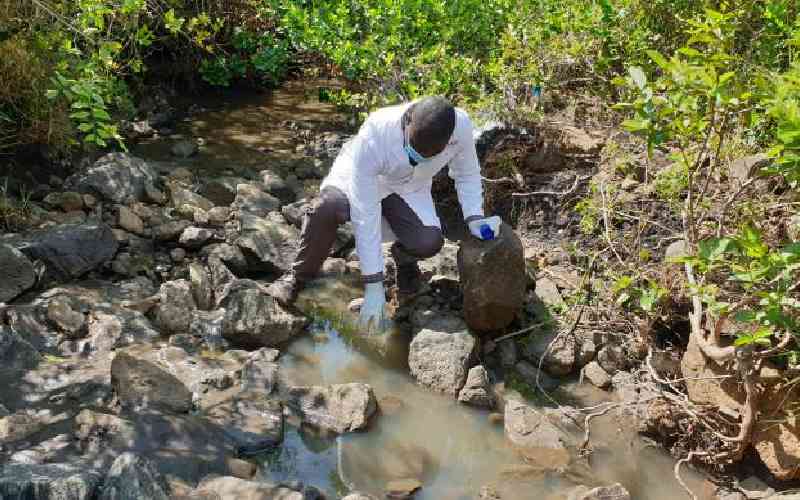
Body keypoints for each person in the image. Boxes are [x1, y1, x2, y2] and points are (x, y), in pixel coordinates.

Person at [268, 95, 500, 331]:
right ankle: (298, 278)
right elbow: (364, 212)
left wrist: (474, 216)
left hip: (408, 188)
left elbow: (467, 173)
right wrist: (373, 285)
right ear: (408, 119)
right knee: (325, 208)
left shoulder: (460, 127)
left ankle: (405, 262)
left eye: (428, 155)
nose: (415, 158)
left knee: (429, 242)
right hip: (360, 179)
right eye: (415, 150)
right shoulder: (376, 133)